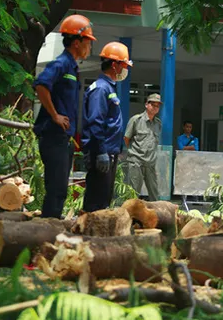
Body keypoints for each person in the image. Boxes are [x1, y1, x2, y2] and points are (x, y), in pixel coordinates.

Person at [34, 14, 96, 218]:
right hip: (53, 136)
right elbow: (41, 85)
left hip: (63, 138)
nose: (90, 47)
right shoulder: (61, 63)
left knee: (60, 188)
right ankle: (48, 232)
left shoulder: (72, 66)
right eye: (88, 42)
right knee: (57, 189)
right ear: (77, 43)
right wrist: (55, 115)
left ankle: (51, 228)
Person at [81, 42, 132, 212]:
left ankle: (98, 236)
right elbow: (96, 122)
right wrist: (102, 151)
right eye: (124, 65)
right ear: (115, 65)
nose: (126, 69)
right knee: (96, 203)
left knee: (104, 201)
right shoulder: (101, 89)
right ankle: (88, 236)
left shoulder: (109, 88)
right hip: (100, 154)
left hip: (109, 152)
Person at [124, 94, 162, 201]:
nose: (155, 107)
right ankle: (131, 216)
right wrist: (134, 153)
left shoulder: (158, 123)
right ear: (146, 104)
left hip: (150, 163)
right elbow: (126, 138)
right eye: (152, 104)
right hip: (136, 162)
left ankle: (156, 216)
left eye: (157, 105)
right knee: (134, 192)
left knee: (154, 193)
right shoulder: (136, 120)